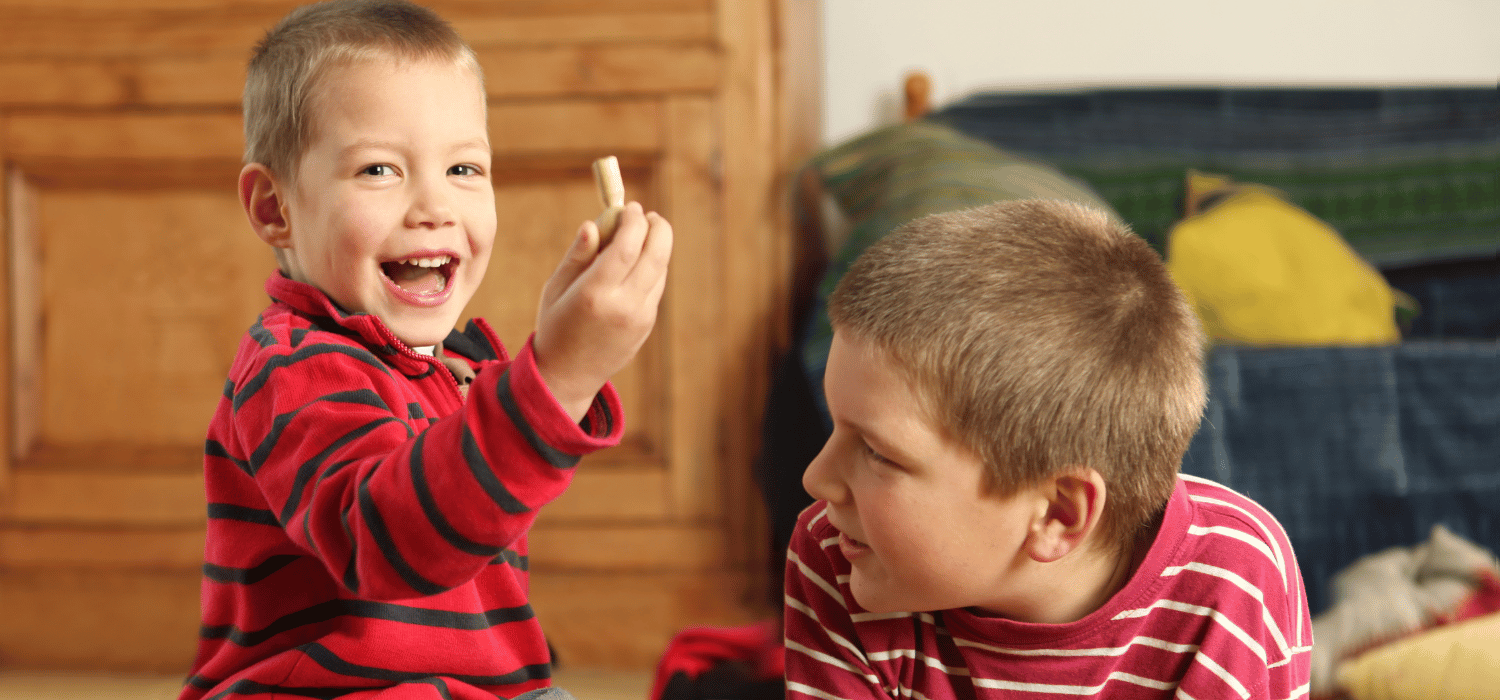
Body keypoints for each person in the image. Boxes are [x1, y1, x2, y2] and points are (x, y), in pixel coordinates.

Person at [181, 1, 671, 698]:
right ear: (273, 208)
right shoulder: (292, 366)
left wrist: (561, 367)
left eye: (465, 169)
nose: (434, 206)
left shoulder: (460, 362)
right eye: (380, 170)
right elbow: (387, 539)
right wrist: (558, 379)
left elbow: (477, 511)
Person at [783, 199, 1312, 699]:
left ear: (1058, 513)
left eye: (878, 452)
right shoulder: (837, 557)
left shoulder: (1234, 577)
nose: (815, 478)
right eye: (836, 428)